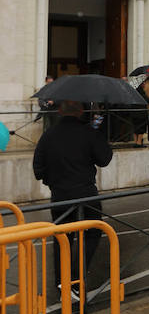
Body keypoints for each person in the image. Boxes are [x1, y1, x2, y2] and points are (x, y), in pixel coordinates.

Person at [32, 99, 113, 296]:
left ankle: (63, 284)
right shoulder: (89, 133)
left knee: (63, 239)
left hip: (60, 195)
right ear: (81, 112)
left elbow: (38, 169)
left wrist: (53, 180)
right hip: (86, 194)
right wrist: (98, 134)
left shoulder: (48, 135)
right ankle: (76, 278)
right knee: (93, 232)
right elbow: (104, 159)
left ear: (60, 111)